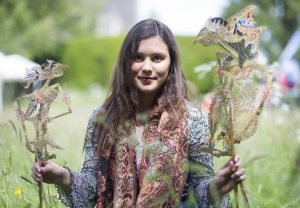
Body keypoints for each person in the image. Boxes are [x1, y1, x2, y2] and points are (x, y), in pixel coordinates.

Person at [32, 19, 246, 208]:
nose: (146, 67)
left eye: (157, 58)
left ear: (170, 63)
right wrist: (62, 176)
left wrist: (216, 186)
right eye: (138, 57)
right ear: (126, 62)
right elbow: (92, 188)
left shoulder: (193, 119)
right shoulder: (103, 117)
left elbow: (198, 190)